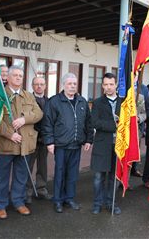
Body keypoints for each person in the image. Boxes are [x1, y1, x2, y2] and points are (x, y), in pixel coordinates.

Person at [0, 66, 43, 219]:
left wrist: (24, 119)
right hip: (5, 145)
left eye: (21, 75)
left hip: (25, 145)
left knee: (21, 176)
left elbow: (39, 113)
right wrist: (9, 135)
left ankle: (18, 202)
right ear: (7, 77)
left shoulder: (28, 96)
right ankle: (0, 205)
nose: (18, 77)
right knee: (1, 177)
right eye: (15, 75)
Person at [42, 73, 93, 213]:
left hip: (76, 144)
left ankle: (69, 198)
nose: (72, 86)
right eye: (69, 84)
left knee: (72, 173)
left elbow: (88, 122)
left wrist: (89, 139)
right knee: (60, 173)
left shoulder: (82, 101)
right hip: (60, 145)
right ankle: (58, 200)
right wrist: (49, 142)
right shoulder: (54, 102)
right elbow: (47, 123)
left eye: (74, 84)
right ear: (63, 85)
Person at [90, 73, 122, 215]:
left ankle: (111, 202)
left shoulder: (124, 102)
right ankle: (97, 203)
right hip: (102, 144)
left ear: (116, 85)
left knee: (114, 177)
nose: (109, 87)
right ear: (102, 86)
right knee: (99, 176)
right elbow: (95, 122)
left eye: (111, 84)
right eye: (106, 84)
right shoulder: (97, 102)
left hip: (119, 145)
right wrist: (114, 125)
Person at [25, 76, 52, 204]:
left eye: (42, 84)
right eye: (36, 84)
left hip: (44, 139)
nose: (39, 86)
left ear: (45, 86)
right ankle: (27, 192)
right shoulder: (27, 100)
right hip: (31, 139)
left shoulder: (50, 101)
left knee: (43, 166)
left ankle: (41, 189)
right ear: (32, 86)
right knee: (28, 166)